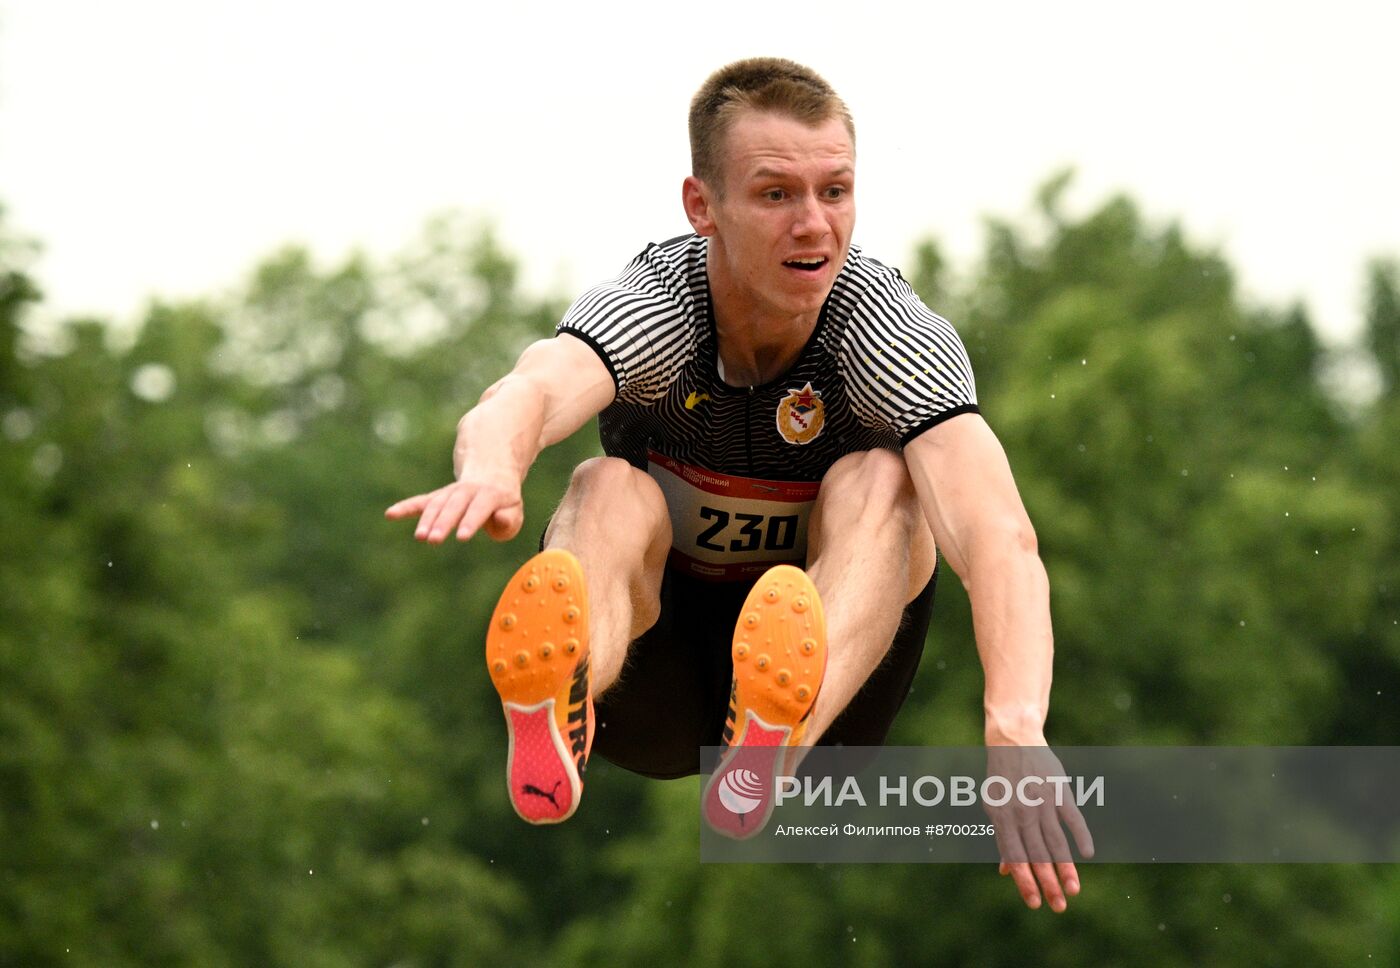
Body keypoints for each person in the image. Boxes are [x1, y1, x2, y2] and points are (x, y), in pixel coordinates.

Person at [386, 57, 1090, 912]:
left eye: (836, 192)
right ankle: (560, 694)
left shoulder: (888, 332)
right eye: (775, 195)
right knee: (604, 486)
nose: (814, 226)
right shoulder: (657, 304)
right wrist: (494, 467)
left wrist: (1016, 724)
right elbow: (535, 387)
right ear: (701, 207)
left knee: (886, 481)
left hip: (834, 686)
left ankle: (777, 730)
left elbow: (997, 534)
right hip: (652, 672)